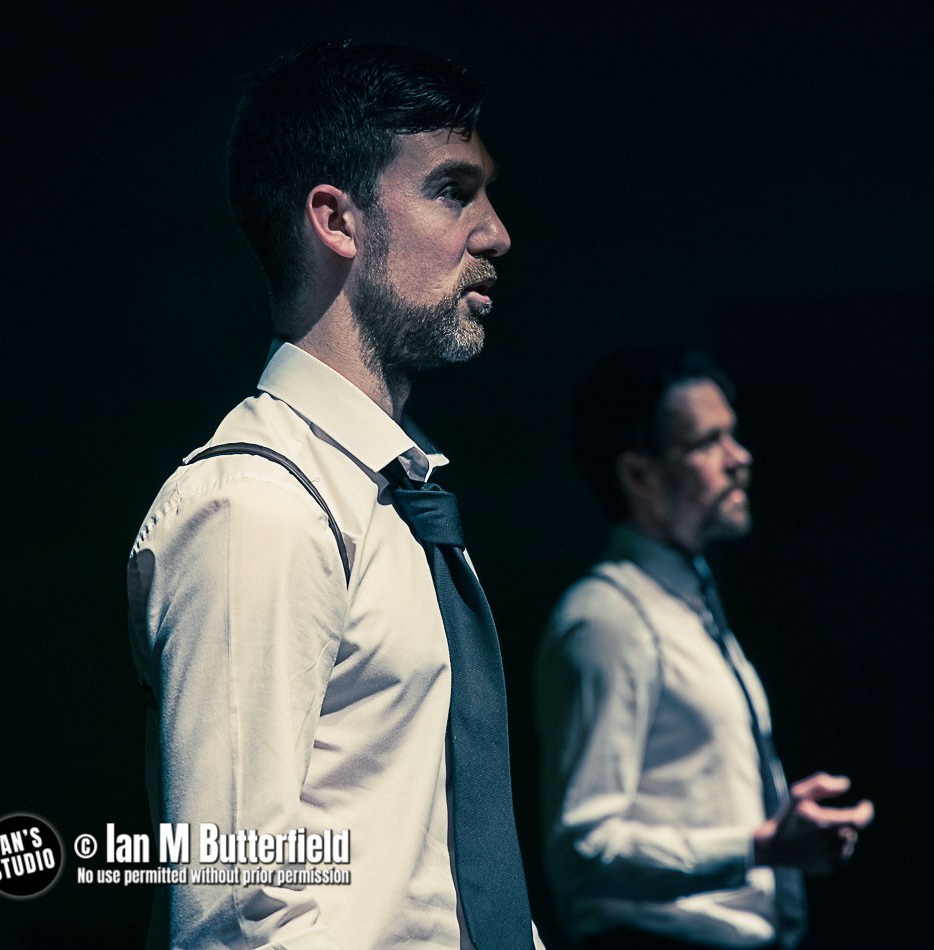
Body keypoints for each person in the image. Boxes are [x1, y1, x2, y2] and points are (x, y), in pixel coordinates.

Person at [127, 39, 542, 949]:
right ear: (337, 220)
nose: (495, 232)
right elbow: (237, 920)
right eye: (451, 190)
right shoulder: (253, 507)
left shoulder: (407, 497)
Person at [534, 346, 875, 949]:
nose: (740, 459)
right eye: (707, 443)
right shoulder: (610, 618)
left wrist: (778, 831)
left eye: (733, 436)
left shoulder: (687, 610)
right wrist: (763, 845)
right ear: (639, 475)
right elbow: (580, 852)